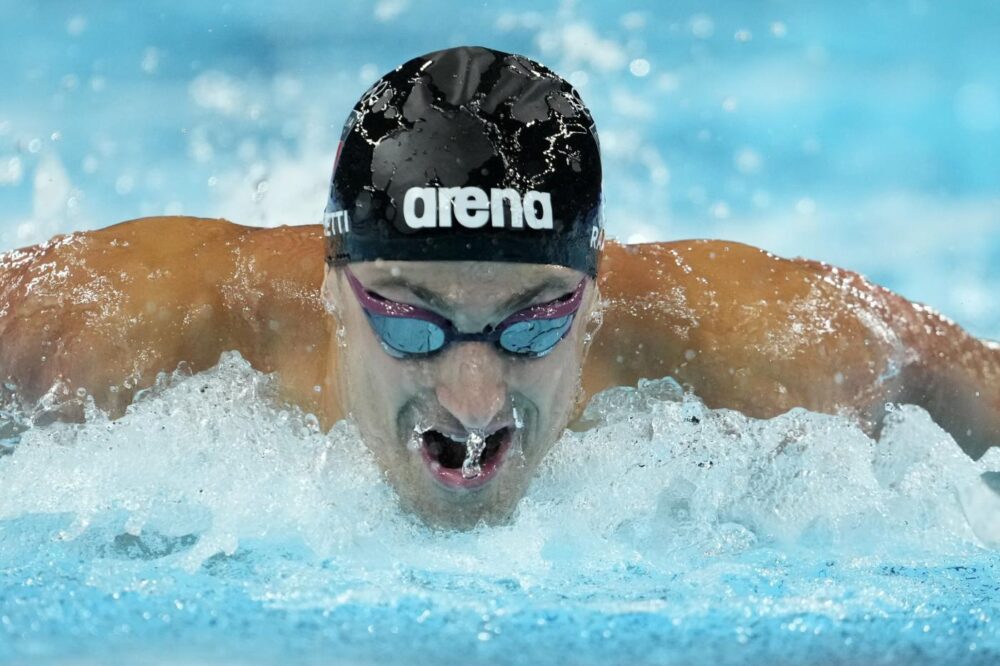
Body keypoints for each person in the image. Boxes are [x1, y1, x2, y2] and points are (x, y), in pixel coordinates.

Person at [1, 46, 997, 528]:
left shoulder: (774, 347)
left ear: (595, 292)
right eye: (409, 322)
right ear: (332, 285)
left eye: (531, 326)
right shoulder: (121, 320)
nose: (472, 404)